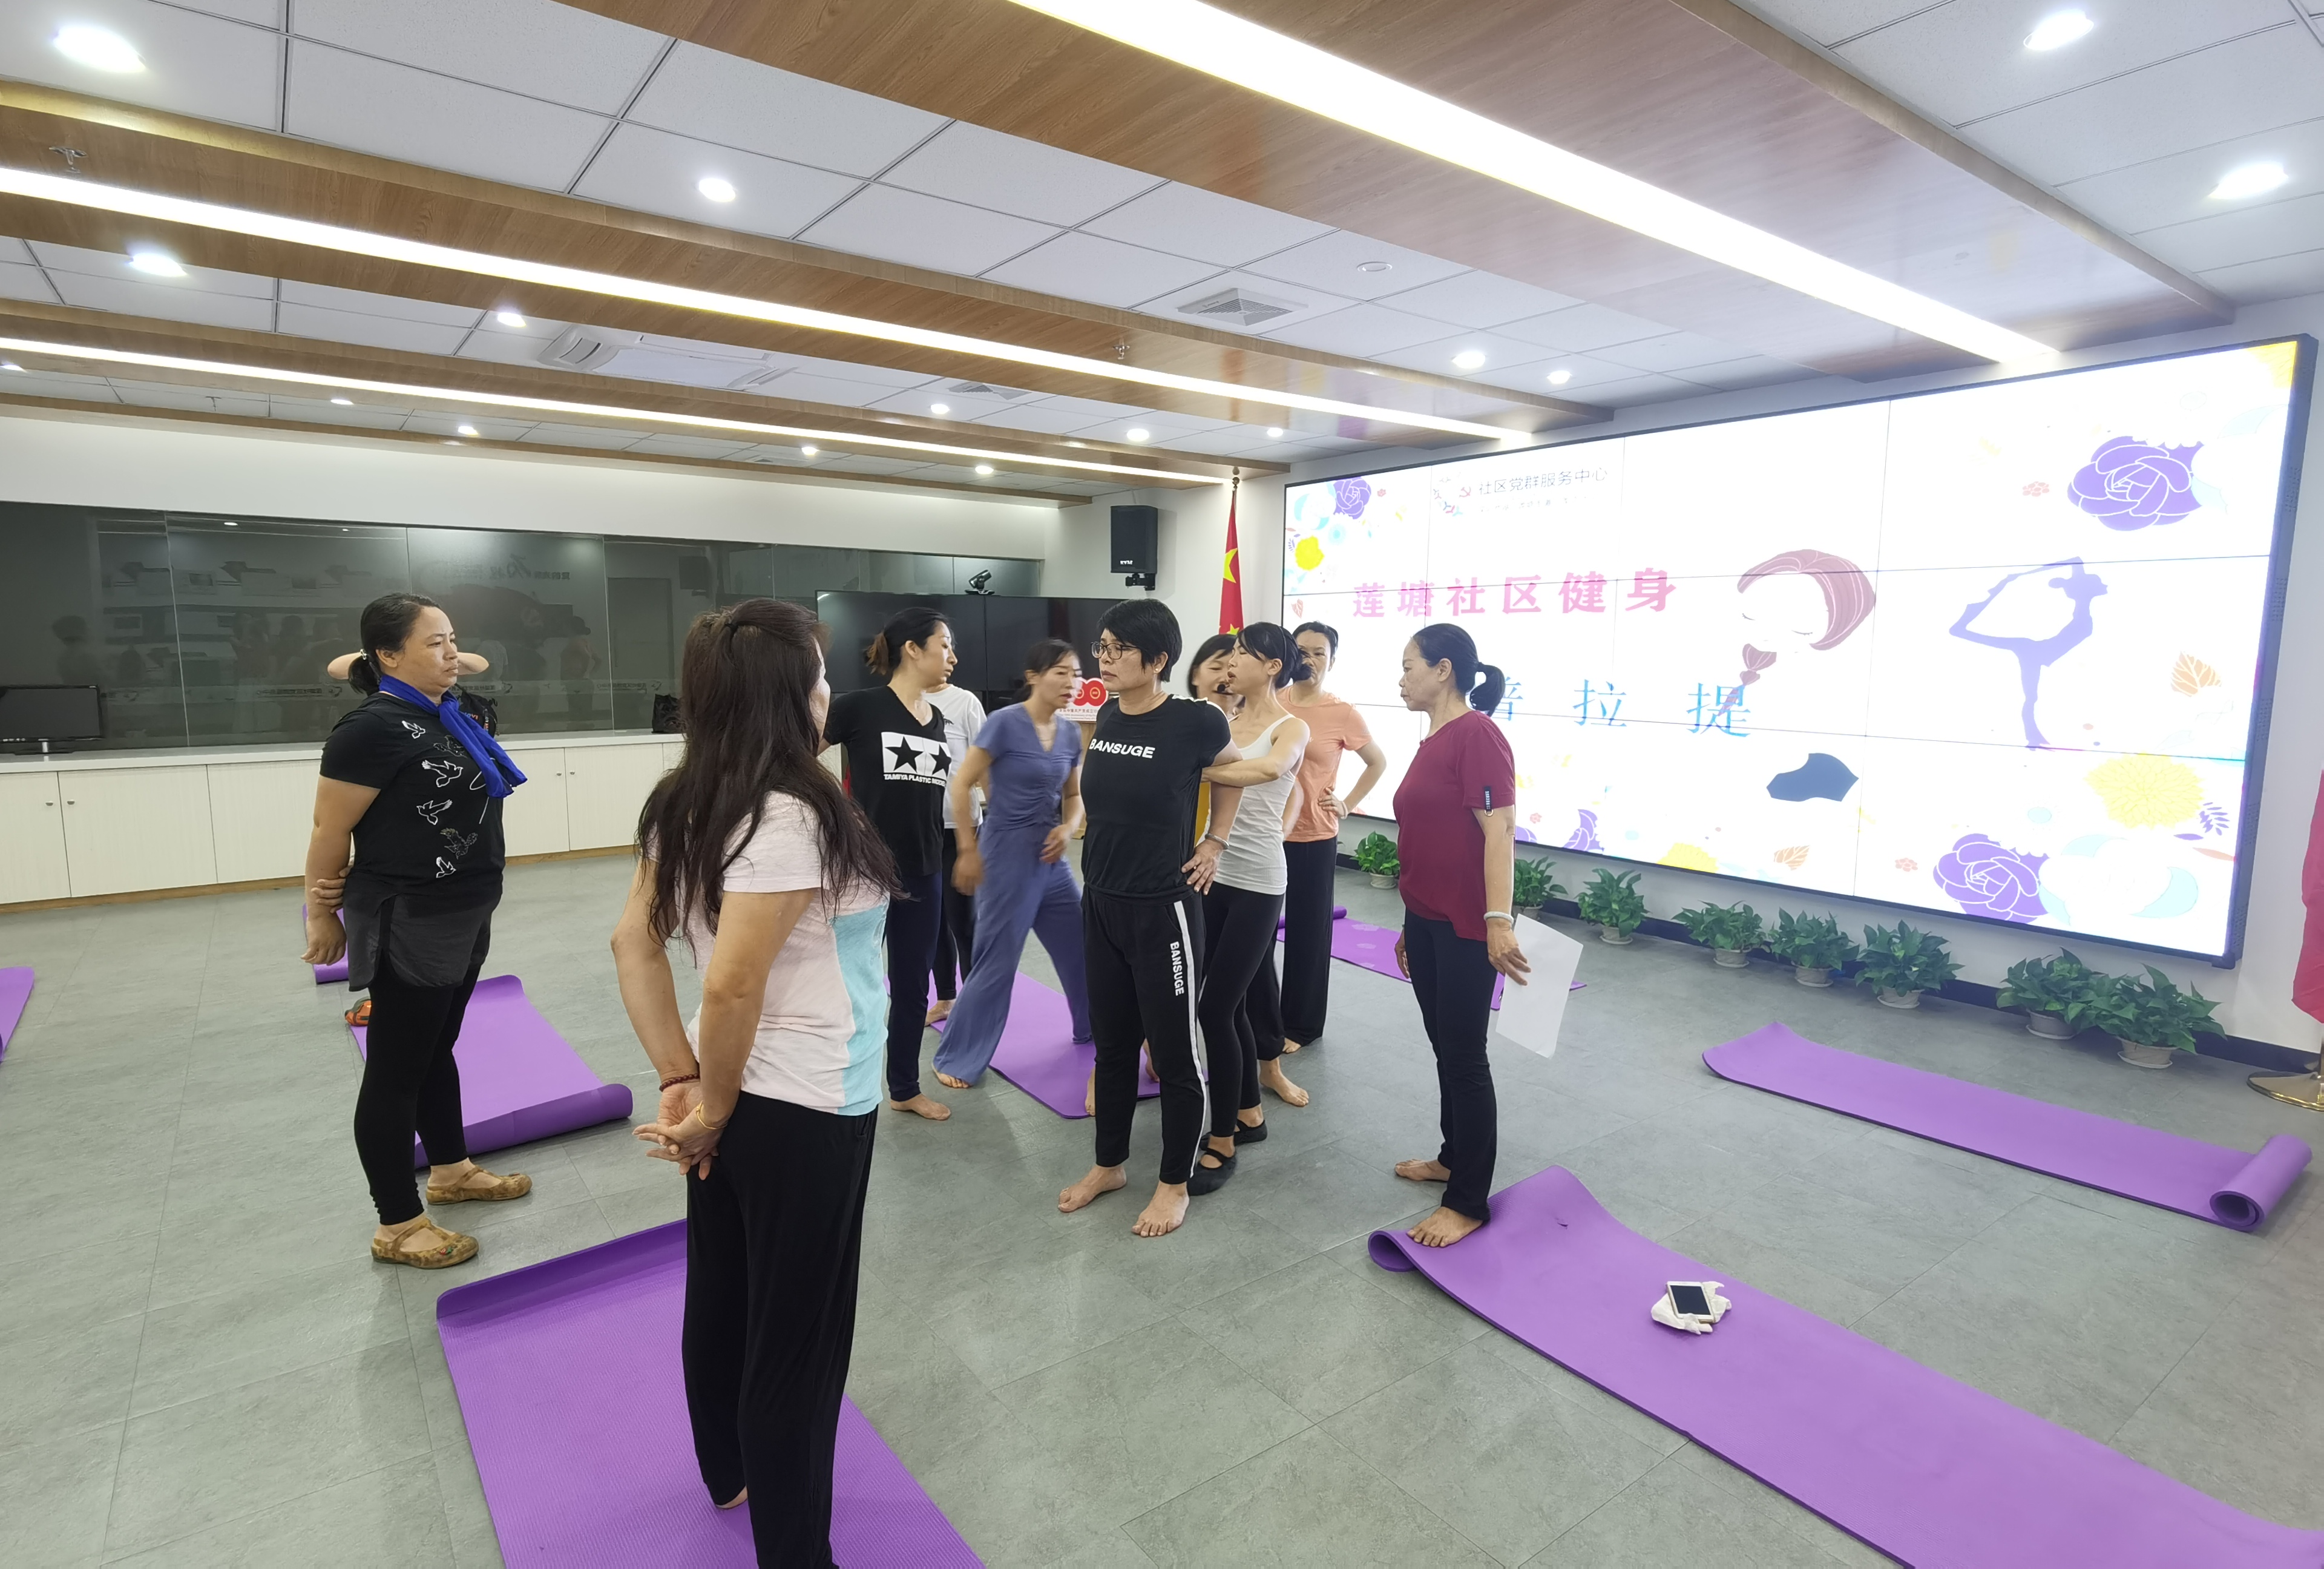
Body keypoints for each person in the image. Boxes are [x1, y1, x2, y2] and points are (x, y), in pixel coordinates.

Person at [609, 598, 898, 1568]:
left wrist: (683, 1080)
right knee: (798, 1346)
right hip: (804, 1102)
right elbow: (732, 979)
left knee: (725, 1290)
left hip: (732, 1087)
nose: (830, 690)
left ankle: (726, 1468)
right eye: (819, 675)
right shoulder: (790, 813)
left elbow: (633, 943)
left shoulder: (685, 797)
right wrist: (713, 1106)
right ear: (789, 694)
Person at [300, 593, 532, 1270]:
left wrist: (435, 651)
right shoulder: (367, 730)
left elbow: (466, 662)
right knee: (397, 1071)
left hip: (466, 905)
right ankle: (397, 1224)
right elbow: (329, 831)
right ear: (387, 655)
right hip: (408, 915)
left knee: (436, 1049)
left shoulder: (456, 712)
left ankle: (451, 1170)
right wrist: (322, 914)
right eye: (435, 643)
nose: (454, 653)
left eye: (453, 638)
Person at [1058, 600, 1247, 1239]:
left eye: (1119, 649)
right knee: (1112, 1047)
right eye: (1102, 646)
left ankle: (1173, 1182)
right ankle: (1109, 1164)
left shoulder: (1195, 720)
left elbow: (1234, 774)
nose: (1104, 658)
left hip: (1163, 909)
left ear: (1159, 659)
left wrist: (1214, 841)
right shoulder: (1108, 713)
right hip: (1101, 901)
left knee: (1174, 1054)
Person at [1390, 623, 1530, 1249]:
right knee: (1445, 1046)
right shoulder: (1433, 739)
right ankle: (1453, 1157)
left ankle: (1468, 1201)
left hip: (1468, 926)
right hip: (1427, 921)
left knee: (1465, 1056)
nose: (1402, 679)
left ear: (1443, 669)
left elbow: (1500, 830)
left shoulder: (1478, 734)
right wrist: (1410, 921)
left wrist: (1498, 919)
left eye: (1409, 666)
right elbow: (1430, 838)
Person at [930, 639, 1093, 1089]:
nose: (1072, 682)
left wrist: (1069, 827)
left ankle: (1092, 1027)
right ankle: (957, 1056)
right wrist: (967, 849)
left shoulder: (1069, 733)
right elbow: (961, 784)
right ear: (1034, 677)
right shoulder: (1004, 723)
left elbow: (1074, 794)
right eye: (1061, 672)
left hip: (1052, 859)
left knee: (1082, 946)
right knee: (997, 961)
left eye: (1077, 673)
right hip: (1005, 857)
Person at [1187, 623, 1310, 1196]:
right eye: (1230, 653)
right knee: (1226, 1004)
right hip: (1211, 874)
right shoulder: (1223, 723)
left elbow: (1269, 771)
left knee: (1215, 1009)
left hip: (1259, 882)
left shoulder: (1291, 728)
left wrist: (1194, 769)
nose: (1231, 662)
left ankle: (1224, 1138)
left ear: (1273, 666)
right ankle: (1249, 1112)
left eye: (1243, 653)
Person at [822, 607, 956, 1122]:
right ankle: (833, 1084)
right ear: (913, 649)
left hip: (925, 868)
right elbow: (795, 758)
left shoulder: (937, 718)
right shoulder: (858, 707)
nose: (952, 656)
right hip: (866, 870)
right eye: (945, 645)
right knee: (848, 982)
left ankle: (904, 1086)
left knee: (912, 984)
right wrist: (837, 812)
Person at [1281, 620, 1388, 1054]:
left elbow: (1377, 762)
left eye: (1319, 653)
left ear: (1332, 661)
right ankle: (1261, 1018)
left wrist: (1346, 803)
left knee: (1308, 935)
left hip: (1313, 836)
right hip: (1267, 834)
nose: (1308, 659)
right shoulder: (1272, 700)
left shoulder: (1342, 712)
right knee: (1256, 935)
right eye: (1301, 651)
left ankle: (1301, 1026)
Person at [925, 674, 988, 1025]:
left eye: (952, 649)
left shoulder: (965, 703)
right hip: (920, 828)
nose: (951, 658)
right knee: (933, 923)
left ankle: (977, 1006)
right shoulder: (904, 700)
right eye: (945, 649)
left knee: (963, 922)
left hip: (959, 828)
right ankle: (946, 998)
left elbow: (986, 766)